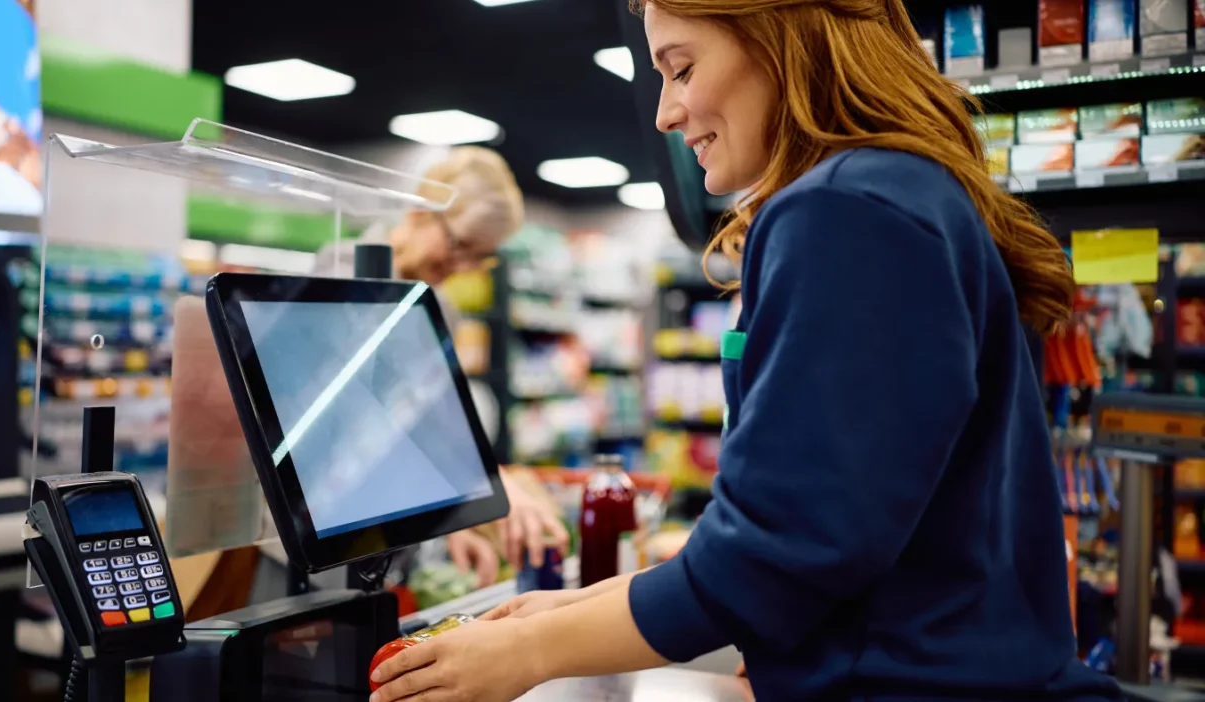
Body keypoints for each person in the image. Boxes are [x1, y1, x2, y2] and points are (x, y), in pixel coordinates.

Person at [368, 2, 1126, 701]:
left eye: (682, 67)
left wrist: (528, 655)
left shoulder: (842, 210)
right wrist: (570, 609)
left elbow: (778, 557)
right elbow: (827, 527)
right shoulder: (904, 192)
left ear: (776, 38)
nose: (667, 112)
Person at [316, 146, 568, 587]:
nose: (464, 266)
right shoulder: (341, 269)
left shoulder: (442, 308)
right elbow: (367, 418)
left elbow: (434, 422)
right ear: (419, 212)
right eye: (461, 245)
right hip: (317, 537)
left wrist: (454, 518)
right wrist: (475, 485)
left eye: (480, 257)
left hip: (385, 537)